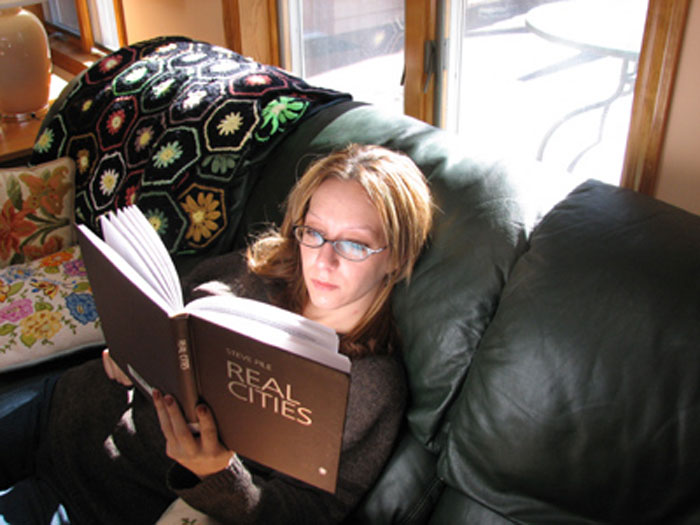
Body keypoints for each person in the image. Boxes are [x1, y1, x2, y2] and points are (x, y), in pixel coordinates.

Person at [0, 143, 434, 524]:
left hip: (97, 498)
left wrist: (217, 474)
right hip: (61, 409)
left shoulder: (369, 385)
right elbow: (170, 317)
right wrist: (129, 349)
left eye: (354, 245)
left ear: (396, 257)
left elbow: (305, 514)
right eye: (315, 232)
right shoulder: (260, 269)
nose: (323, 261)